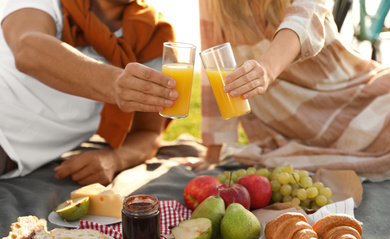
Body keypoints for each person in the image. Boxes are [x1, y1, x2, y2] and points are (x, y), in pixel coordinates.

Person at [178, 0, 390, 179]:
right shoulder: (214, 4)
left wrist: (267, 69)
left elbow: (303, 19)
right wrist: (212, 154)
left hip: (356, 99)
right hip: (288, 132)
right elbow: (215, 66)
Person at [0, 0, 178, 185]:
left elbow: (148, 133)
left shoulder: (154, 35)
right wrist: (113, 83)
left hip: (13, 158)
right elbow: (27, 49)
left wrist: (115, 159)